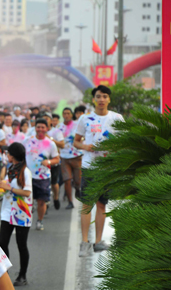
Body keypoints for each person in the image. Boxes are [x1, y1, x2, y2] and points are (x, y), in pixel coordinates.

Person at [73, 85, 124, 257]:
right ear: (94, 99)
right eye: (98, 96)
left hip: (106, 168)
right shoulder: (85, 119)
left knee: (102, 204)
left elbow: (123, 142)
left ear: (109, 99)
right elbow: (76, 142)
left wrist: (112, 148)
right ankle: (84, 242)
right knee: (87, 205)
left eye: (104, 96)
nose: (101, 99)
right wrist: (86, 146)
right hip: (89, 167)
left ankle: (98, 241)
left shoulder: (117, 118)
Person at [0, 142, 32, 287]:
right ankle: (5, 273)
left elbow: (27, 192)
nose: (7, 156)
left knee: (21, 245)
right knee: (2, 243)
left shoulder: (25, 172)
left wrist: (9, 188)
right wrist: (2, 187)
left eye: (8, 154)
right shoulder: (10, 169)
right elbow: (7, 186)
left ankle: (22, 275)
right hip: (7, 211)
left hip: (22, 213)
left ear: (13, 155)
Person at [23, 118, 60, 231]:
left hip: (43, 177)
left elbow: (57, 159)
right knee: (26, 199)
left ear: (47, 129)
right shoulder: (27, 140)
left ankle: (39, 220)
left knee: (41, 201)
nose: (40, 129)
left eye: (42, 127)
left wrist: (48, 162)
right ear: (35, 128)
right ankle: (26, 220)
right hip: (28, 176)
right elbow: (20, 154)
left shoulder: (50, 144)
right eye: (38, 127)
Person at [57, 108, 83, 209]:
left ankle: (77, 189)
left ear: (71, 115)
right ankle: (70, 202)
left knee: (78, 180)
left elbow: (83, 136)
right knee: (67, 180)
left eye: (68, 113)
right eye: (64, 113)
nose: (66, 115)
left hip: (76, 155)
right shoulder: (59, 127)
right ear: (62, 115)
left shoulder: (77, 125)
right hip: (64, 157)